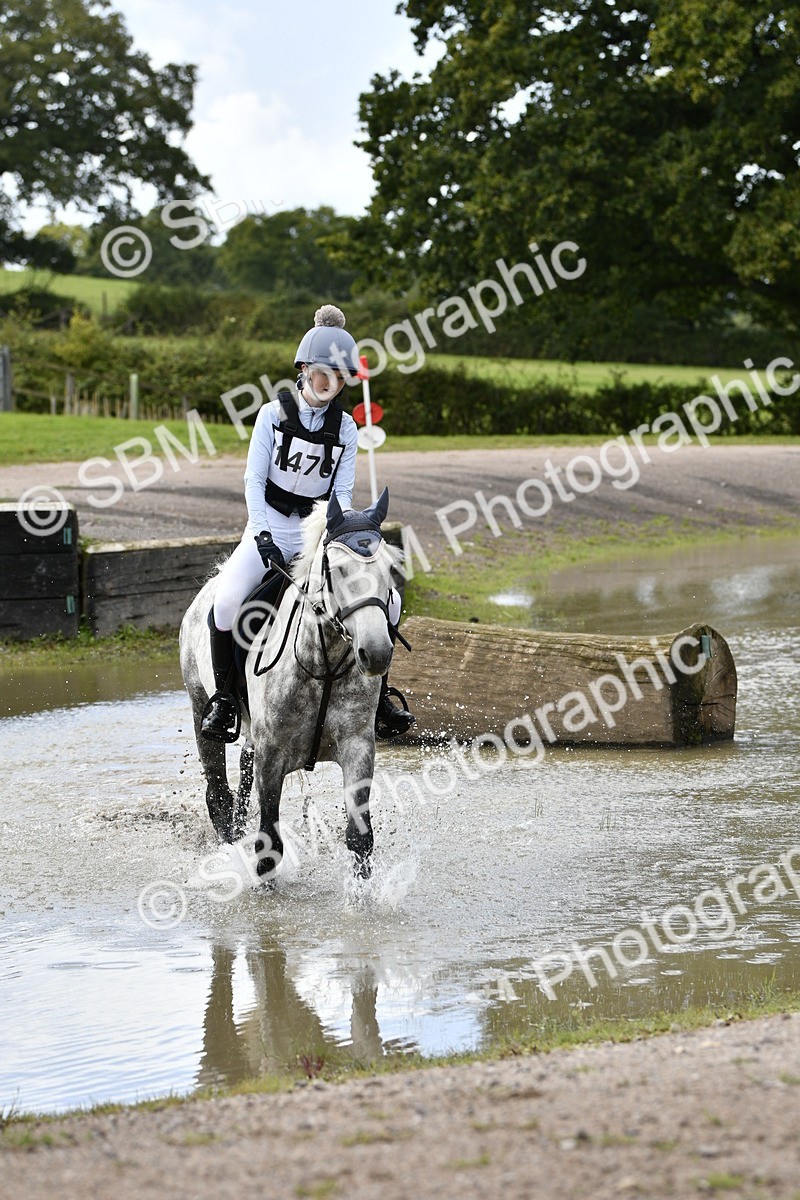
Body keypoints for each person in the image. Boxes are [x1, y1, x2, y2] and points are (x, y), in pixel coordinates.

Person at [201, 304, 415, 742]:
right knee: (225, 604)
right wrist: (261, 532)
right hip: (269, 527)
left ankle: (379, 701)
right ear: (303, 369)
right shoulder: (271, 415)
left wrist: (333, 541)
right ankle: (224, 700)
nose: (330, 383)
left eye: (339, 377)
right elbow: (253, 479)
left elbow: (340, 497)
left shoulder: (347, 429)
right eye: (323, 373)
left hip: (315, 535)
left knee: (387, 603)